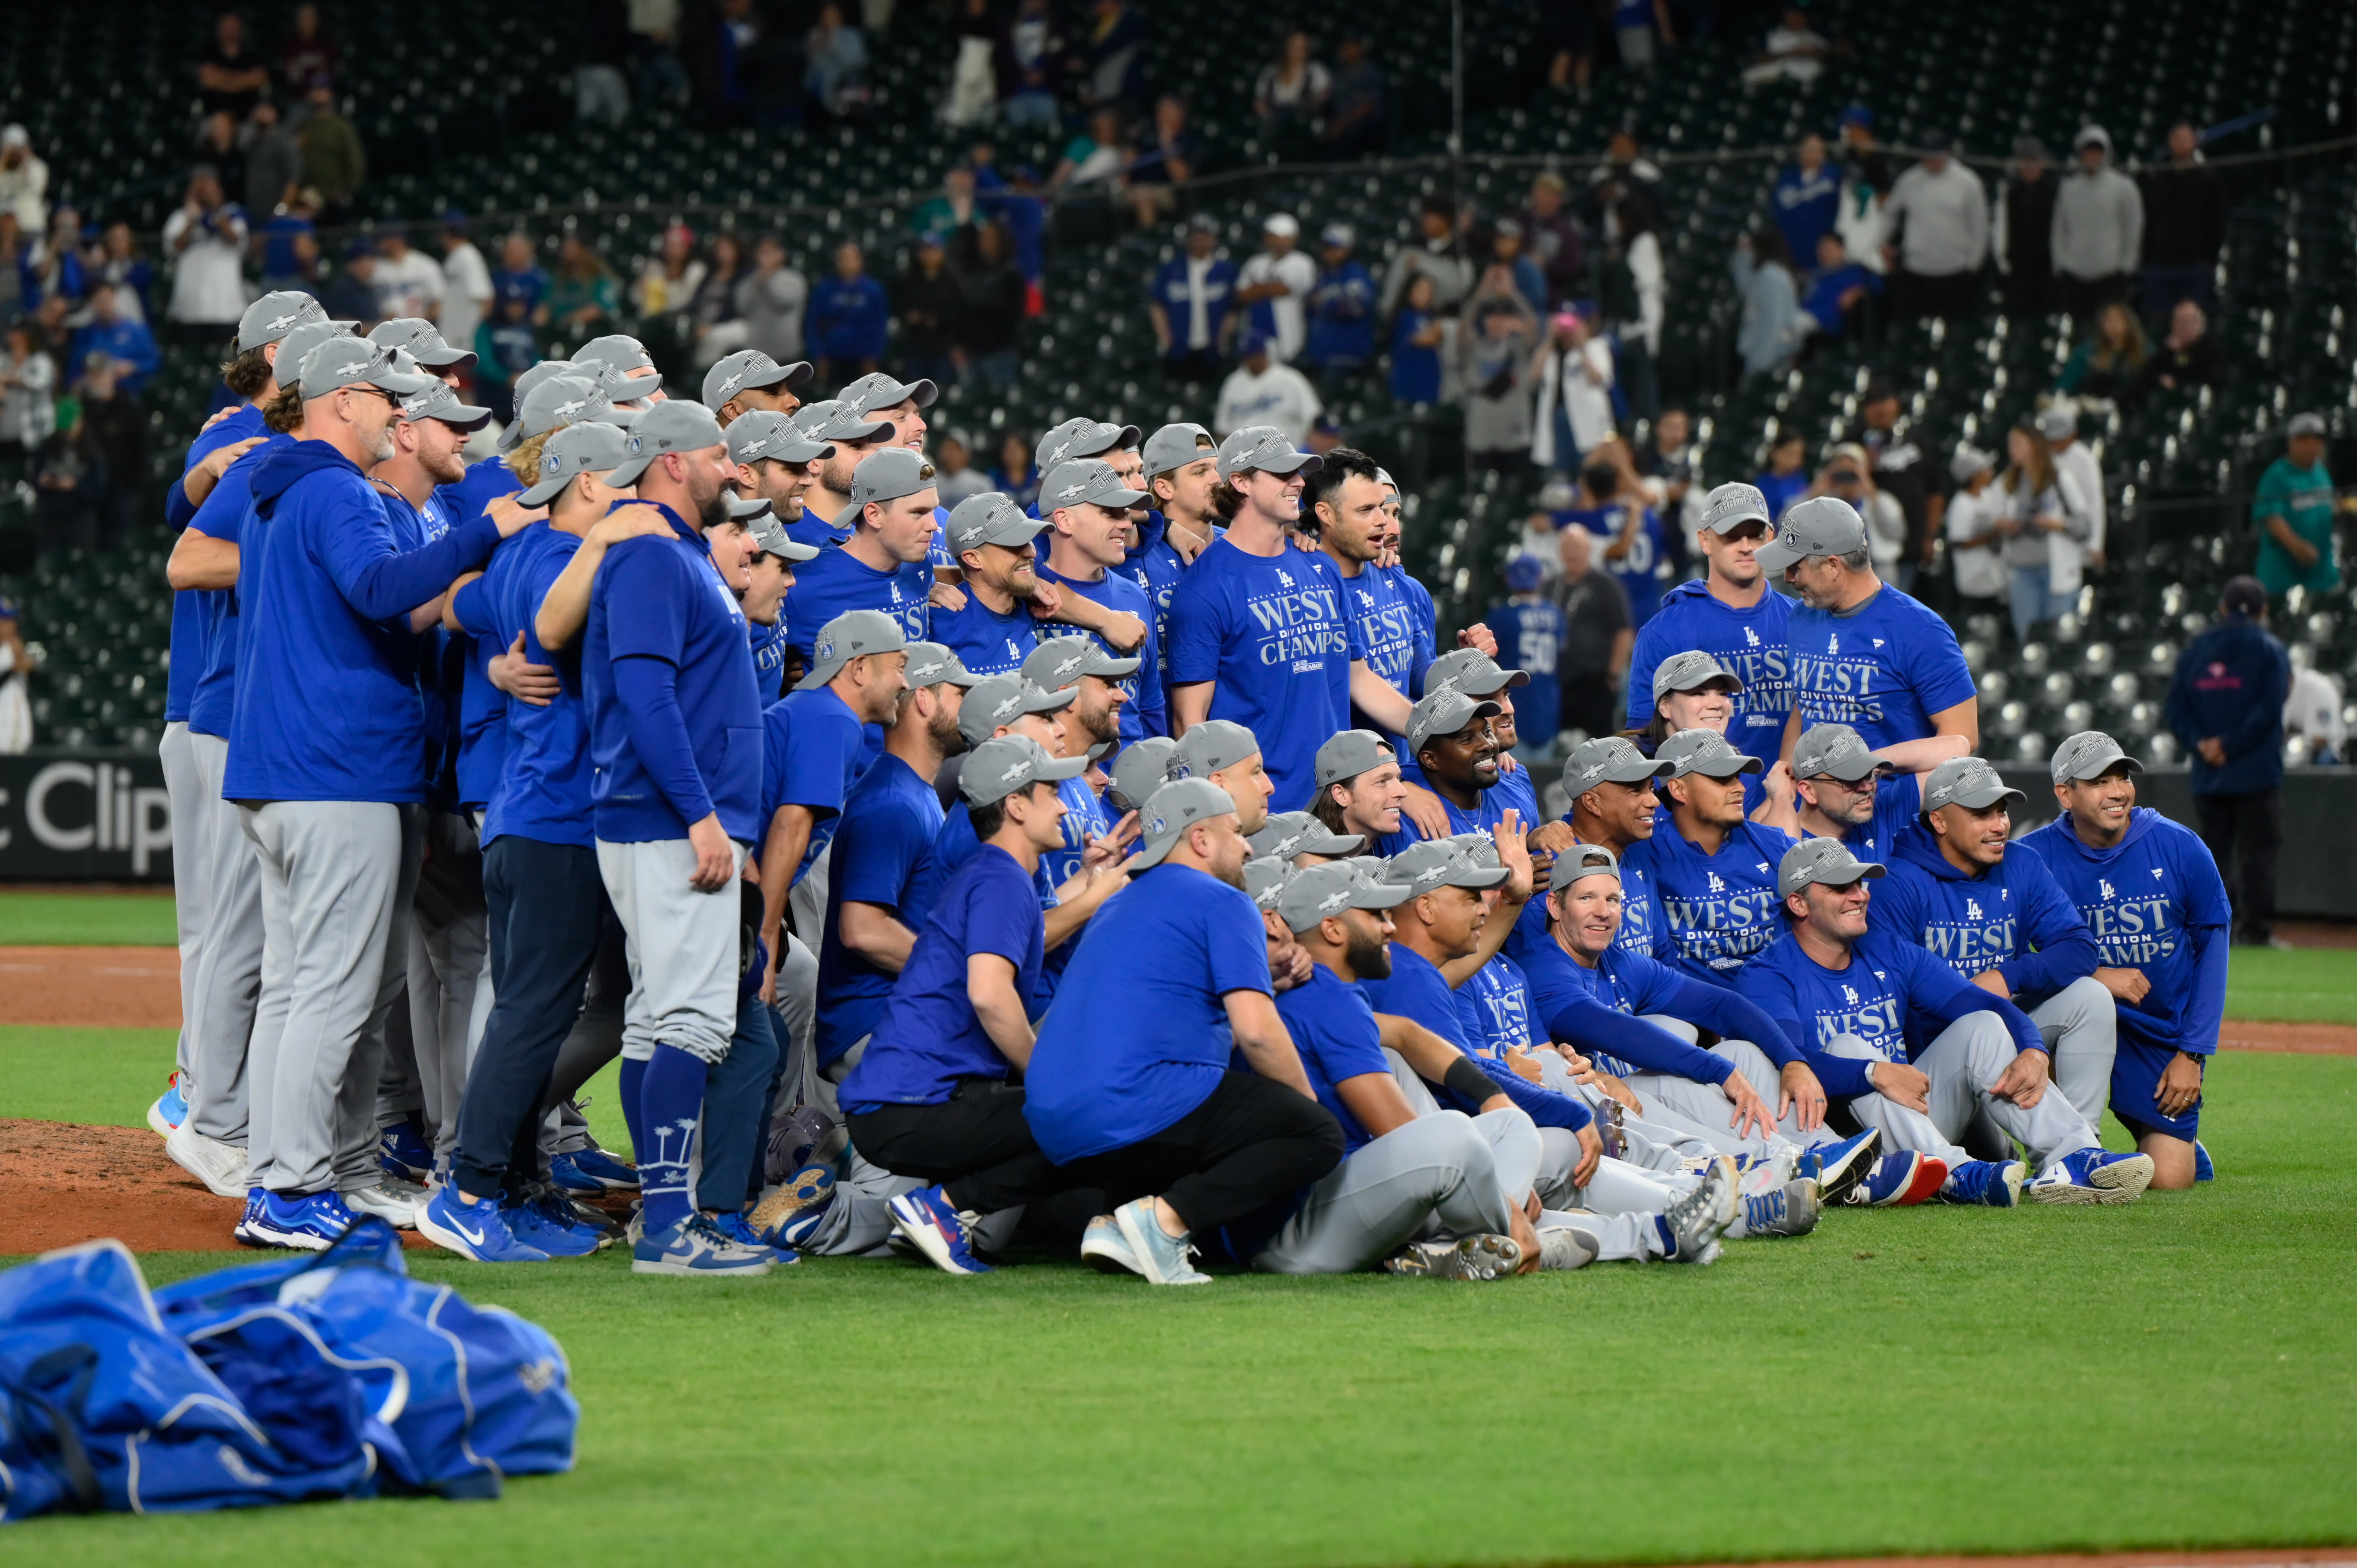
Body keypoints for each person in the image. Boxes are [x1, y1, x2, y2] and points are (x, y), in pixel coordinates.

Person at [222, 338, 527, 1250]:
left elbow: (383, 605)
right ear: (345, 399)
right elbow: (380, 587)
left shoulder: (277, 491)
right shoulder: (335, 489)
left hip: (285, 771)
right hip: (338, 768)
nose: (400, 415)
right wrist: (486, 532)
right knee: (331, 990)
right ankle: (290, 1185)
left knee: (298, 989)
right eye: (388, 402)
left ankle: (304, 1171)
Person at [566, 398, 776, 1275]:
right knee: (688, 1019)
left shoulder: (677, 554)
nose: (735, 467)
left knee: (657, 1018)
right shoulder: (652, 557)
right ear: (673, 463)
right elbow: (645, 698)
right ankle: (665, 1229)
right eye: (720, 453)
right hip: (668, 822)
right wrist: (700, 814)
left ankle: (669, 1211)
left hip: (663, 819)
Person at [1021, 777, 1348, 1287]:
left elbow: (1177, 1027)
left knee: (1187, 1098)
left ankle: (1114, 1222)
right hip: (1129, 1105)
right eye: (1236, 833)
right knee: (1317, 1133)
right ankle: (1164, 1223)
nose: (1246, 846)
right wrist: (1308, 1110)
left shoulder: (1115, 904)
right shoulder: (1224, 900)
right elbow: (1257, 1033)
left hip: (1051, 1118)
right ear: (1200, 839)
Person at [1736, 837, 2156, 1205]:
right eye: (1840, 886)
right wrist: (1872, 1072)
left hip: (1915, 1119)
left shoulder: (1888, 948)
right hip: (1843, 1144)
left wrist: (2031, 1046)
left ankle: (2073, 1155)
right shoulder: (1767, 972)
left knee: (1983, 1026)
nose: (1860, 895)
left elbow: (1979, 1002)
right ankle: (1957, 1174)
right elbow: (1786, 1060)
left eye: (1861, 883)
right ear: (1798, 902)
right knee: (1847, 1044)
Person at [1242, 857, 1590, 1278]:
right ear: (1333, 929)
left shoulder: (1319, 989)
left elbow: (1408, 1033)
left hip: (1322, 1209)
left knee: (1511, 1124)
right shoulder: (1322, 996)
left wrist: (1491, 1095)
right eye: (1374, 915)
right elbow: (1406, 1131)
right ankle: (1498, 1240)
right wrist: (1506, 1202)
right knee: (1451, 1133)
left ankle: (1451, 1251)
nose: (1390, 925)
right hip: (1294, 1232)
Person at [835, 734, 1089, 1275]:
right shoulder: (1002, 879)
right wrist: (1045, 1077)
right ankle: (939, 1211)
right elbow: (989, 994)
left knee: (1069, 1111)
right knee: (1083, 1114)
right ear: (1017, 805)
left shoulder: (992, 873)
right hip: (910, 1106)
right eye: (1051, 791)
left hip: (899, 1103)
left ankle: (941, 1212)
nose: (1065, 803)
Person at [2019, 732, 2230, 1190]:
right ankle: (2070, 1150)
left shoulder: (2180, 846)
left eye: (2122, 777)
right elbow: (2011, 957)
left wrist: (2192, 1054)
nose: (2118, 791)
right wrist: (2094, 974)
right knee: (2054, 1011)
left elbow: (2213, 951)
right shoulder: (2033, 857)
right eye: (2099, 782)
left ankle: (2183, 1147)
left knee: (2171, 1179)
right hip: (2073, 1022)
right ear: (2065, 793)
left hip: (2156, 1031)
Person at [1873, 756, 2124, 1135]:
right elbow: (1889, 1002)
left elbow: (2078, 945)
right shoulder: (1898, 883)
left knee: (2090, 996)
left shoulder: (2022, 864)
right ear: (1939, 821)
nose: (1999, 825)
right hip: (1929, 1063)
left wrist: (2009, 976)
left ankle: (2081, 1143)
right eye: (1981, 814)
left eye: (2002, 811)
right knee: (1985, 1156)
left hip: (2002, 1028)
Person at [1762, 495, 1978, 759]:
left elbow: (1964, 736)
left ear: (1832, 566)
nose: (1788, 579)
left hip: (1888, 792)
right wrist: (1787, 776)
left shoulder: (1921, 630)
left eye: (1796, 568)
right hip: (1815, 795)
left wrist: (1866, 765)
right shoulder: (1801, 616)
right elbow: (1805, 705)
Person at [1624, 482, 1793, 768]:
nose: (1745, 547)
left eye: (1755, 536)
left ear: (1770, 538)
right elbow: (1644, 738)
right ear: (1704, 541)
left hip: (1795, 804)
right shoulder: (1665, 630)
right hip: (1700, 805)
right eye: (1731, 537)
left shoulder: (1801, 620)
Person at [2167, 577, 2292, 949]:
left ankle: (2215, 932)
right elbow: (2270, 709)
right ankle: (2255, 932)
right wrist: (2231, 744)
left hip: (2210, 775)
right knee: (2258, 854)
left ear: (2222, 608)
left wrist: (2203, 745)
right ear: (2263, 611)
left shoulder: (2195, 650)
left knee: (2214, 855)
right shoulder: (2270, 649)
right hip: (2255, 771)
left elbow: (2175, 709)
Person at [1626, 728, 1796, 982]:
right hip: (1688, 1008)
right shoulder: (1642, 853)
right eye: (1722, 779)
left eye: (1737, 777)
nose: (1740, 788)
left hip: (1774, 997)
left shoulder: (1775, 845)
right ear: (1678, 790)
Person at [1036, 462, 1163, 742]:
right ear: (1064, 520)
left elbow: (1150, 708)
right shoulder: (1024, 596)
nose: (1126, 523)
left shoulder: (1135, 595)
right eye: (1110, 512)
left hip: (1132, 779)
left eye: (1126, 512)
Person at [782, 445, 938, 662]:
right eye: (918, 513)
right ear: (873, 515)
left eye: (933, 511)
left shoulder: (920, 565)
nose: (933, 525)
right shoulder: (802, 587)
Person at [1993, 419, 2091, 645]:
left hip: (2055, 567)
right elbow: (1991, 518)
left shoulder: (2060, 479)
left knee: (2059, 637)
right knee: (2028, 637)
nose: (2012, 450)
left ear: (2035, 446)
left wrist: (2058, 524)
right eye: (2011, 444)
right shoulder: (2007, 482)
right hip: (2021, 570)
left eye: (2018, 443)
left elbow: (2085, 525)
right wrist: (2004, 526)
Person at [1880, 131, 1987, 322]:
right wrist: (1881, 243)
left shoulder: (1968, 182)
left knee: (1956, 331)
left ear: (1946, 152)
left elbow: (1979, 226)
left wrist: (1973, 264)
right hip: (1916, 271)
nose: (1930, 160)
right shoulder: (1909, 180)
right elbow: (1890, 213)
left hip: (1955, 272)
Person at [1558, 453, 1665, 628]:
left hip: (1612, 610)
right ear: (1617, 484)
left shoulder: (1590, 520)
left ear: (1589, 490)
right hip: (1650, 607)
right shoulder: (1649, 516)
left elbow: (1543, 521)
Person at [2051, 125, 2143, 321]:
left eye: (2097, 151)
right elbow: (2059, 229)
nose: (2093, 157)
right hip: (2075, 275)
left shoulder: (2123, 187)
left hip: (2111, 275)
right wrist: (2061, 264)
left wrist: (2127, 266)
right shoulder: (2068, 188)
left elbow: (2133, 227)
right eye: (2089, 152)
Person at [1550, 526, 1632, 744]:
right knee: (1563, 747)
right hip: (1560, 681)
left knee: (1600, 746)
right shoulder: (1551, 587)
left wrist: (1613, 676)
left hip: (1596, 681)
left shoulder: (1606, 586)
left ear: (1588, 550)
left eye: (1577, 547)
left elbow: (1624, 631)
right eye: (1567, 548)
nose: (1572, 553)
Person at [2140, 121, 2227, 316]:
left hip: (2194, 265)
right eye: (2177, 139)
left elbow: (2218, 222)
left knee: (2193, 321)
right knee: (2158, 320)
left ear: (2195, 142)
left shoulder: (2209, 179)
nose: (2181, 144)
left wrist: (2209, 259)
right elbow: (2147, 218)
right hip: (2160, 264)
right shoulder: (2156, 178)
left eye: (2186, 139)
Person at [2251, 412, 2339, 602]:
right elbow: (2271, 517)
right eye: (2304, 440)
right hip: (2284, 574)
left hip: (2320, 573)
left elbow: (2325, 509)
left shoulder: (2321, 473)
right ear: (2291, 443)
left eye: (2316, 440)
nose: (2311, 446)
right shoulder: (2276, 475)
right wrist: (2297, 546)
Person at [1483, 558, 1564, 759]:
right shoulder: (1555, 614)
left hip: (1512, 701)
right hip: (1547, 702)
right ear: (1539, 579)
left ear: (1510, 580)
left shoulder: (1502, 616)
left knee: (1513, 773)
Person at [160, 167, 248, 343]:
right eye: (199, 188)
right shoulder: (179, 218)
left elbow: (236, 240)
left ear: (220, 190)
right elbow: (174, 248)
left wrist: (216, 213)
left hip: (228, 311)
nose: (204, 193)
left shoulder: (233, 216)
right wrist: (193, 219)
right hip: (189, 313)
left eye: (209, 187)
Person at [1148, 212, 1237, 383]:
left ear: (1214, 239)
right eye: (1196, 236)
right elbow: (1158, 305)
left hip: (1213, 349)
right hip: (1179, 347)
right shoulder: (1172, 270)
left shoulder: (1226, 271)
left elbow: (1233, 308)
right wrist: (1165, 337)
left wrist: (1224, 337)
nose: (1200, 241)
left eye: (1205, 236)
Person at [1529, 305, 1617, 469]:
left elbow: (1598, 379)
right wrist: (1550, 338)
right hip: (1558, 416)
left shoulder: (1597, 346)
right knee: (1561, 469)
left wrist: (1581, 346)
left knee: (1592, 467)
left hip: (1589, 419)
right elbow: (1534, 376)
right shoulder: (1551, 353)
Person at [1234, 214, 1319, 366]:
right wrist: (1268, 288)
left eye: (1283, 238)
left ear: (1293, 239)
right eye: (1273, 237)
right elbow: (1242, 295)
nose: (1278, 242)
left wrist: (1257, 288)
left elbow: (1283, 289)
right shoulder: (1255, 263)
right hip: (1255, 330)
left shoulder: (1303, 262)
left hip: (1287, 336)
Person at [1214, 332, 1321, 446]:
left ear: (1264, 353)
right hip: (1245, 459)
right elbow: (1222, 430)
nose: (1249, 361)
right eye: (1246, 357)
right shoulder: (1233, 383)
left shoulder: (1291, 379)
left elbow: (1314, 420)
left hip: (1287, 455)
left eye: (1253, 356)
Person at [1993, 136, 2059, 321]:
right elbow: (2001, 229)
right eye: (2025, 161)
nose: (2029, 167)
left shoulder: (2057, 194)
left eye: (2034, 161)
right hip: (2018, 271)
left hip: (2047, 271)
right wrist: (2004, 262)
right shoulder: (2009, 193)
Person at [1302, 224, 1376, 389]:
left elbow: (1357, 307)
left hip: (1346, 357)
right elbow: (1310, 306)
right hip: (1321, 356)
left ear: (1347, 249)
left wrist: (1325, 304)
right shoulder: (1325, 277)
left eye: (1333, 247)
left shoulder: (1355, 274)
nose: (1328, 252)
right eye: (1325, 247)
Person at [1729, 227, 1805, 379]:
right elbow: (1743, 282)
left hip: (1771, 360)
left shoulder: (1772, 276)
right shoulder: (1765, 275)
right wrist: (1741, 255)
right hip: (1766, 356)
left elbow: (1775, 324)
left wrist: (1761, 361)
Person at [1380, 194, 1471, 318]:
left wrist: (1422, 263)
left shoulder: (1461, 251)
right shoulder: (1413, 247)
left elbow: (1460, 290)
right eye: (1425, 216)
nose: (1425, 221)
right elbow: (1392, 293)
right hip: (1409, 319)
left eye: (1431, 218)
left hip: (1446, 322)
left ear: (1446, 221)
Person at [1944, 445, 2006, 613]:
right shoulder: (1961, 503)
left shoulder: (1989, 496)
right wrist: (1991, 536)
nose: (1991, 471)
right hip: (1973, 578)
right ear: (1975, 476)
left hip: (1994, 576)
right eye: (1986, 469)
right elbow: (1958, 542)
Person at [296, 81, 366, 221]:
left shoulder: (341, 127)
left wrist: (343, 190)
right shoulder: (304, 126)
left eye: (323, 90)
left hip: (333, 198)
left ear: (331, 95)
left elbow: (356, 162)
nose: (319, 94)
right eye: (316, 90)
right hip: (307, 197)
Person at [2131, 299, 2225, 401]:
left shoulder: (2210, 348)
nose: (2181, 326)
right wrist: (2169, 352)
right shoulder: (2168, 350)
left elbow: (2211, 377)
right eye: (2178, 321)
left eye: (2187, 321)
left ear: (2200, 323)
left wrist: (2178, 382)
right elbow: (2147, 374)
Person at [2055, 299, 2149, 401]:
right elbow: (2065, 384)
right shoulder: (2088, 351)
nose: (2113, 325)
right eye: (2107, 320)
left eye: (2117, 319)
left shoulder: (2146, 351)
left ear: (2129, 322)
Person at [1772, 134, 1840, 266]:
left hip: (1824, 249)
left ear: (1823, 153)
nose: (1811, 153)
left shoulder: (1833, 176)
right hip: (1794, 246)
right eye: (1808, 149)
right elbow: (1779, 209)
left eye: (1816, 149)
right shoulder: (1788, 179)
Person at [197, 12, 270, 120]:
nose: (230, 31)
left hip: (248, 116)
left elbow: (260, 79)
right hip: (214, 115)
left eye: (234, 26)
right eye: (227, 26)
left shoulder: (252, 55)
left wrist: (224, 80)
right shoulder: (208, 53)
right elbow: (209, 79)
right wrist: (245, 80)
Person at [373, 226, 446, 326]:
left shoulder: (425, 265)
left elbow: (439, 304)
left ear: (398, 240)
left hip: (419, 330)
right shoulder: (377, 269)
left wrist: (421, 323)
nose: (381, 244)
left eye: (385, 239)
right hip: (387, 331)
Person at [0, 124, 49, 237]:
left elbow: (35, 185)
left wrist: (25, 156)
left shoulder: (38, 167)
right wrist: (4, 158)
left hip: (29, 222)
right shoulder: (4, 170)